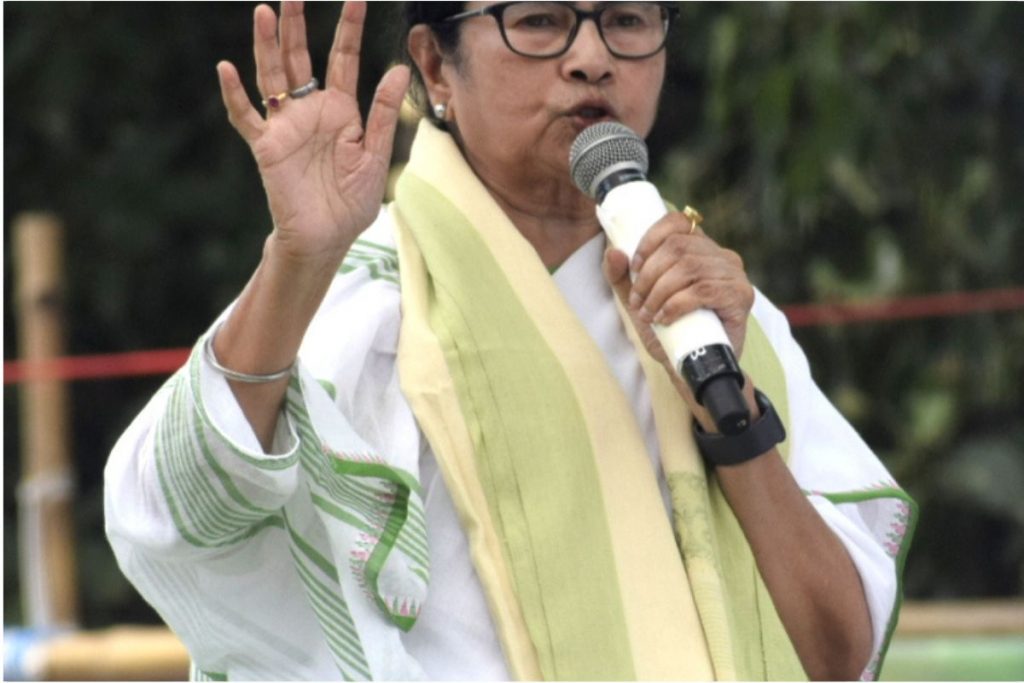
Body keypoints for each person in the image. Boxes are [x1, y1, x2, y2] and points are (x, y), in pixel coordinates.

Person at [105, 2, 915, 680]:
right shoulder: (373, 296)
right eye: (540, 22)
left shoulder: (718, 310)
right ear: (435, 67)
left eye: (627, 21)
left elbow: (840, 654)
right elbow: (172, 515)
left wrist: (732, 417)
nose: (593, 58)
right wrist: (297, 261)